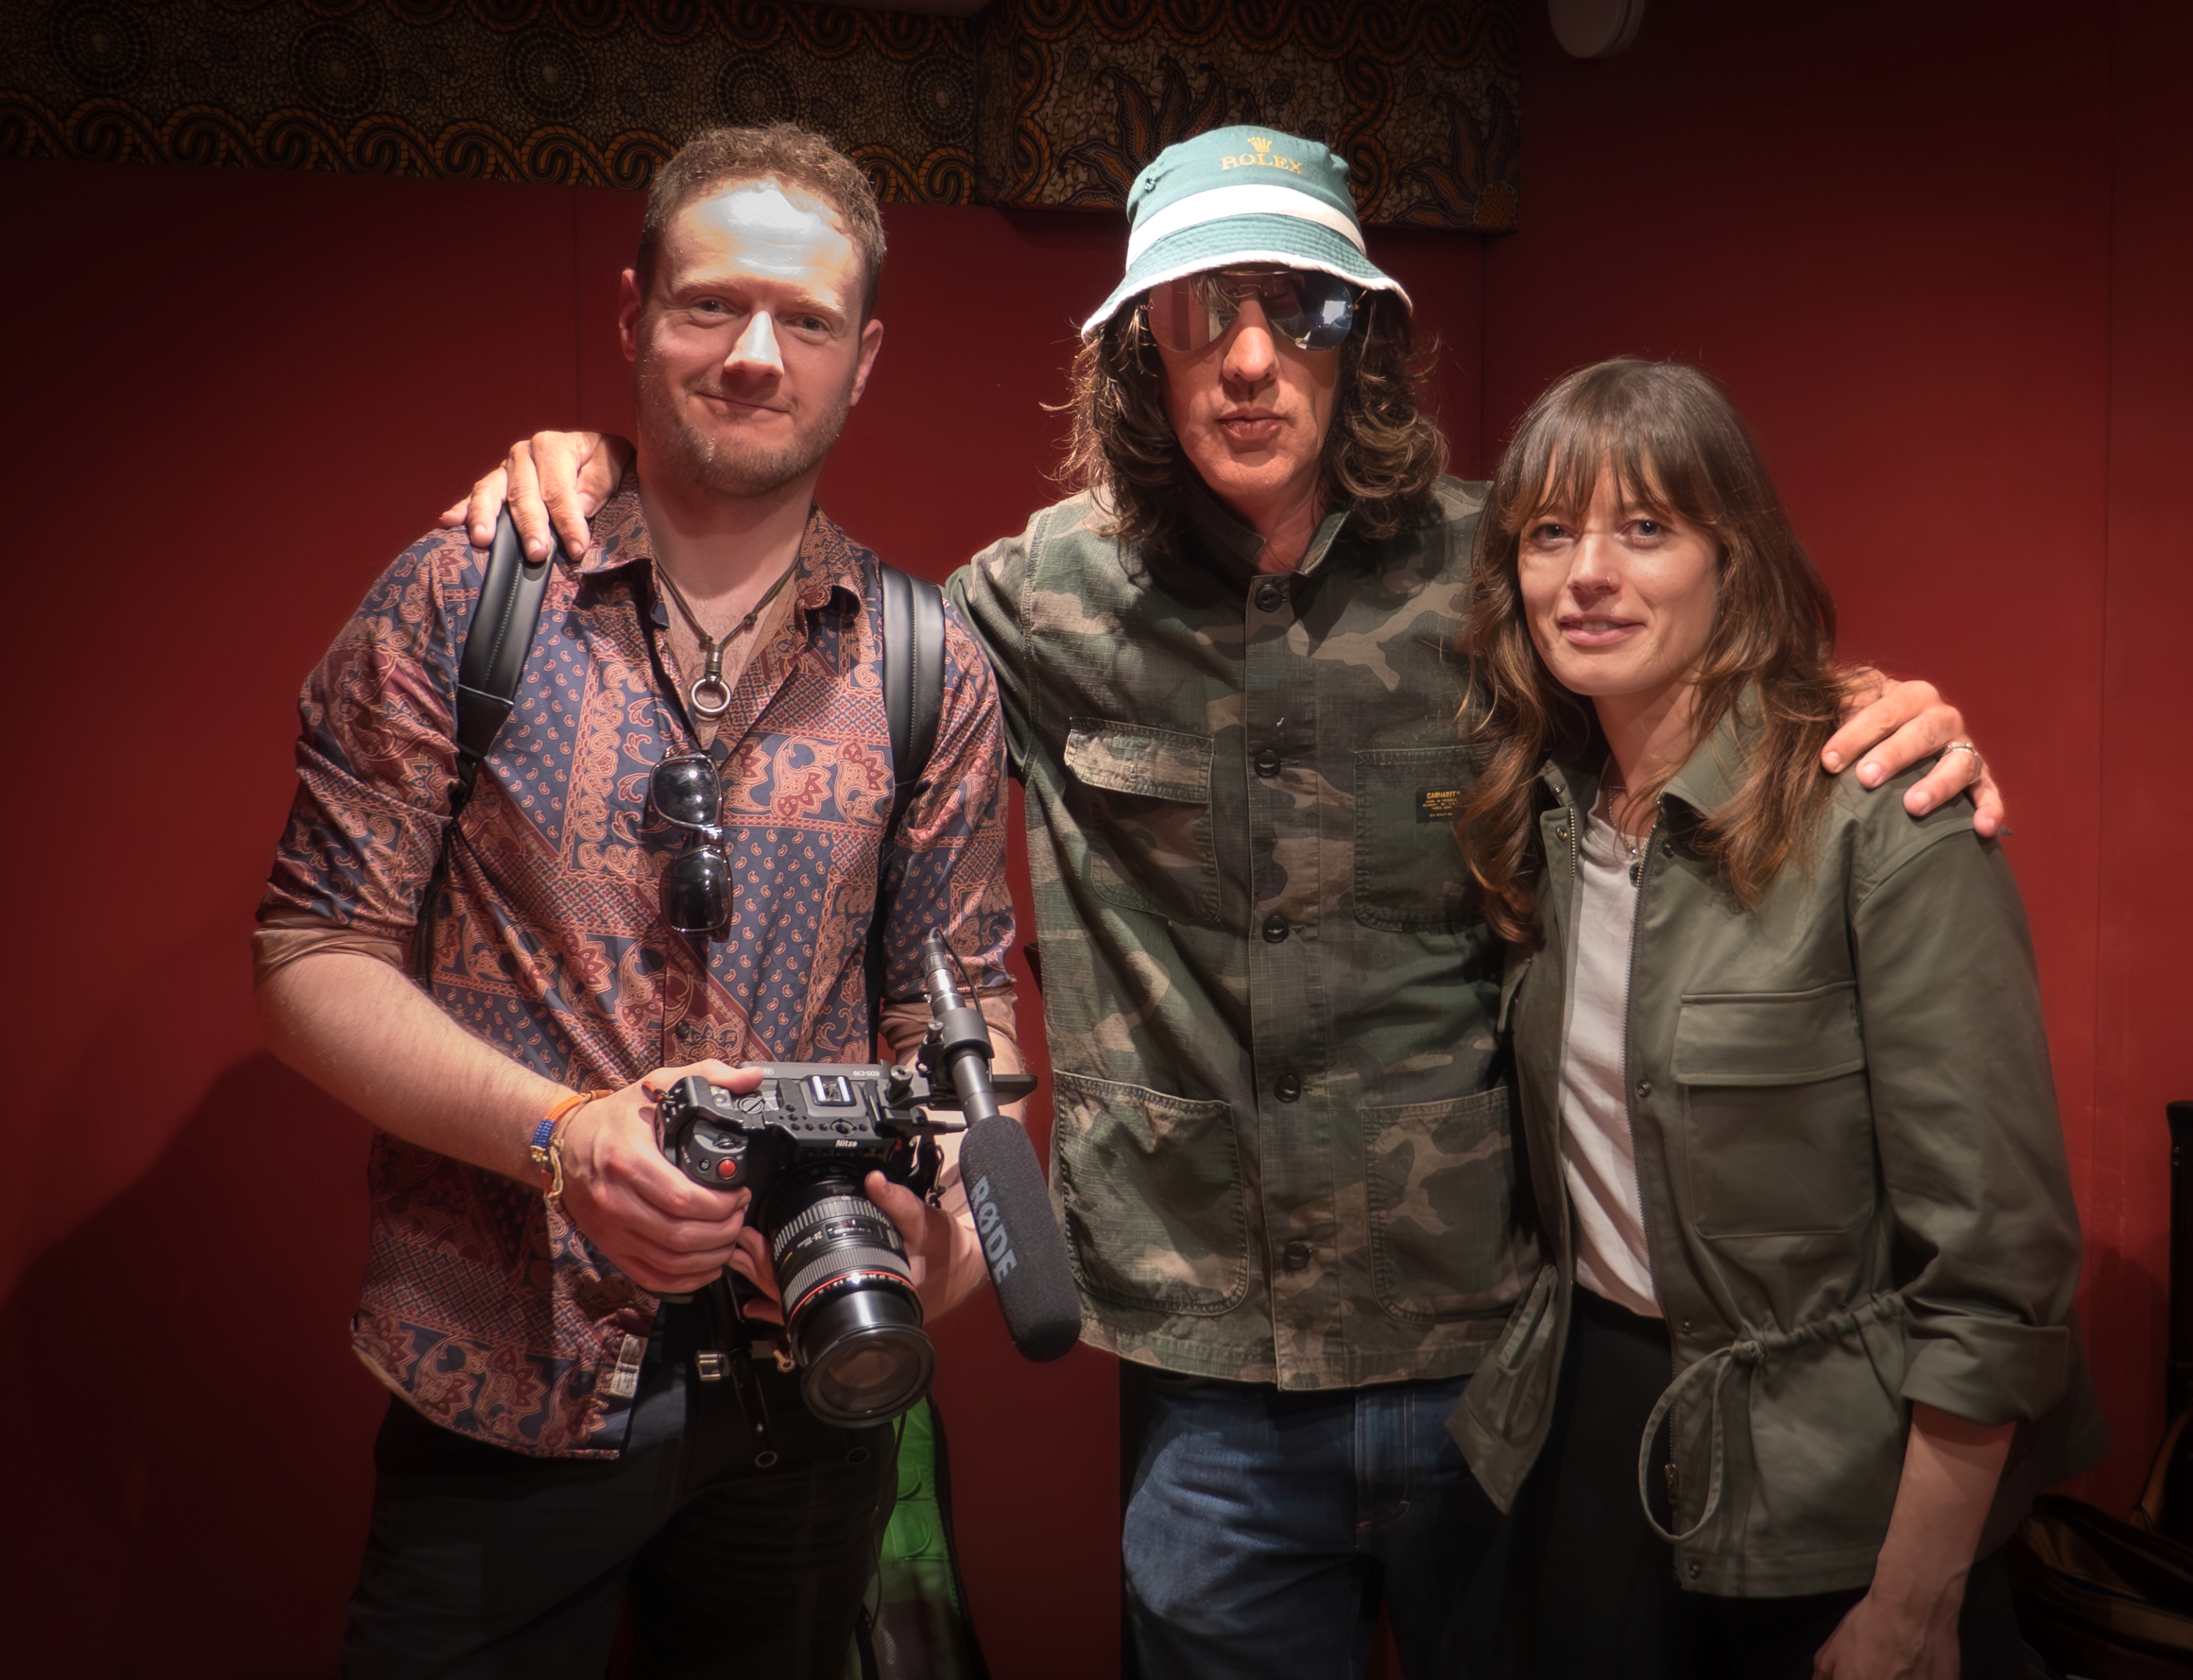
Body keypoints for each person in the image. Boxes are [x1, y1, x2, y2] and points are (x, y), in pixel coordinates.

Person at [452, 129, 1999, 1679]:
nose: (1252, 360)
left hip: (1496, 1365)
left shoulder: (1499, 576)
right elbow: (809, 618)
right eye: (1203, 312)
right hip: (1208, 1392)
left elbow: (1692, 679)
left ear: (1360, 340)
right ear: (1142, 350)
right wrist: (602, 466)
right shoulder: (1036, 598)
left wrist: (1861, 709)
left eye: (1299, 309)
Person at [255, 122, 1024, 1676]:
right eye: (709, 305)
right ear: (631, 316)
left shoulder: (929, 663)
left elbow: (964, 1008)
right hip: (500, 1374)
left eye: (805, 320)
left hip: (809, 1379)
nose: (755, 354)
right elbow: (308, 956)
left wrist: (949, 1206)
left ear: (863, 358)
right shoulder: (468, 594)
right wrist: (562, 1136)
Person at [1446, 358, 2103, 1679]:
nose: (1588, 572)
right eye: (1549, 533)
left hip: (1842, 1485)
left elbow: (1996, 1274)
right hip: (1595, 1436)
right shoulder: (1539, 811)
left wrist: (1915, 1603)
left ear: (1729, 555)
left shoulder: (1882, 816)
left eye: (1645, 527)